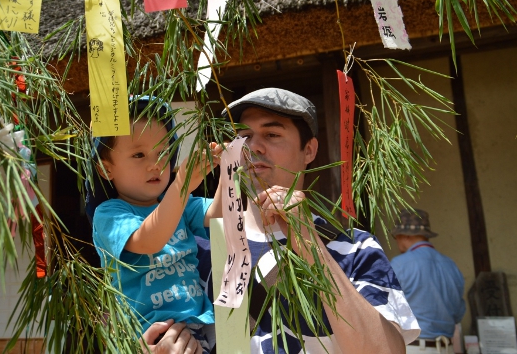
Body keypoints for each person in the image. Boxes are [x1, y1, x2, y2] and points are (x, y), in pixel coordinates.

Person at [147, 87, 420, 354]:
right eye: (243, 136)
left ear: (309, 150)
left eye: (272, 134)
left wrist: (309, 240)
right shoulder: (196, 250)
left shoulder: (353, 247)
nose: (253, 146)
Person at [86, 96, 223, 353]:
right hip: (148, 333)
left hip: (195, 326)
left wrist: (228, 169)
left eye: (163, 152)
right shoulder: (109, 214)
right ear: (106, 170)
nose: (156, 164)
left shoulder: (179, 202)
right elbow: (149, 240)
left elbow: (219, 213)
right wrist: (180, 185)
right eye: (139, 154)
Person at [391, 209, 466, 354]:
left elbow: (386, 310)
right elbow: (458, 313)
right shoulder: (451, 265)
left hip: (415, 348)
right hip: (447, 348)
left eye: (396, 237)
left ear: (405, 235)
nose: (397, 241)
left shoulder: (400, 264)